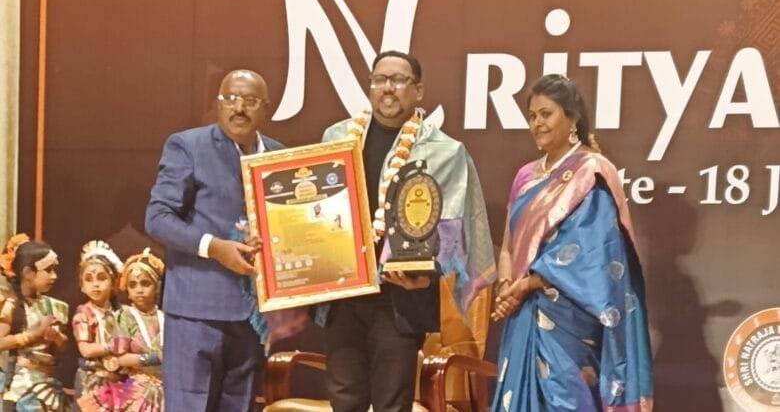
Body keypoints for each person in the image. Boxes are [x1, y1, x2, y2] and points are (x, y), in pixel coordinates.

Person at [321, 51, 495, 412]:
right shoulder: (336, 138)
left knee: (393, 403)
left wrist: (427, 273)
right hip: (344, 294)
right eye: (380, 79)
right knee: (344, 400)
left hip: (400, 298)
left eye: (399, 80)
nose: (388, 88)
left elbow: (457, 230)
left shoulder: (445, 151)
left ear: (418, 91)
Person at [490, 74, 653, 411]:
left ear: (572, 118)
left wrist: (529, 283)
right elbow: (508, 246)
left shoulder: (591, 172)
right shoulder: (525, 176)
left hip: (569, 315)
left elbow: (593, 253)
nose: (537, 123)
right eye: (532, 116)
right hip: (522, 313)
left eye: (546, 114)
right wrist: (506, 288)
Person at [145, 69, 283, 411]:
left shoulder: (280, 155)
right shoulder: (188, 146)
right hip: (196, 310)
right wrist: (214, 248)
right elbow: (157, 218)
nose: (239, 108)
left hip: (253, 316)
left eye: (250, 101)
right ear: (218, 104)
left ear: (266, 108)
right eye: (230, 98)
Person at [0, 234, 69, 411]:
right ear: (28, 273)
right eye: (48, 270)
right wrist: (32, 335)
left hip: (48, 384)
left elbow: (62, 347)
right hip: (22, 385)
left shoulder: (55, 306)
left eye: (55, 270)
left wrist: (56, 338)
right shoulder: (12, 306)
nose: (54, 276)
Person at [72, 239, 132, 411]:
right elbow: (85, 350)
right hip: (92, 381)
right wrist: (112, 346)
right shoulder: (84, 314)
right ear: (82, 286)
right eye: (89, 279)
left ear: (113, 283)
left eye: (102, 278)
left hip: (122, 381)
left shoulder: (125, 313)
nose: (95, 284)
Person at [116, 248, 165, 412]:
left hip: (166, 388)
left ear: (157, 287)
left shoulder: (166, 317)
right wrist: (152, 359)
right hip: (135, 387)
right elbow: (120, 359)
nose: (139, 290)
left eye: (145, 283)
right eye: (133, 285)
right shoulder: (125, 316)